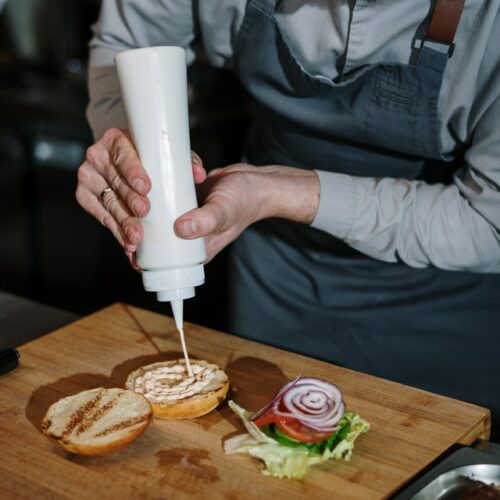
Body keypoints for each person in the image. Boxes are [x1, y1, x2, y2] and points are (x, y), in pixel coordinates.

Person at [76, 0, 500, 438]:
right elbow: (130, 43)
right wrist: (133, 153)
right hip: (275, 279)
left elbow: (492, 221)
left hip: (445, 306)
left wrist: (279, 192)